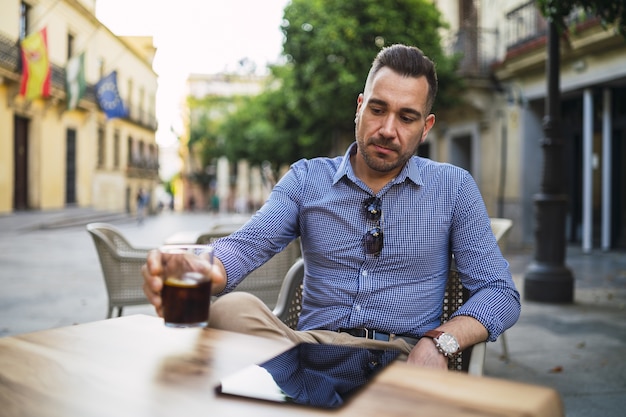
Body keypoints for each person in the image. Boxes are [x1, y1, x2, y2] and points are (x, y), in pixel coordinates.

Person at [142, 44, 520, 370]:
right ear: (359, 108)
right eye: (377, 109)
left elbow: (499, 292)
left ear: (426, 127)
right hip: (306, 349)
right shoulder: (307, 179)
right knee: (230, 309)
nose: (388, 128)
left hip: (397, 357)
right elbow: (246, 245)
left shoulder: (454, 187)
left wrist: (440, 342)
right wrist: (196, 266)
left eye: (406, 117)